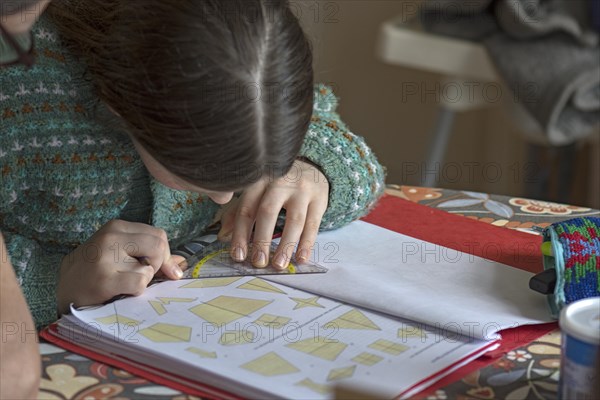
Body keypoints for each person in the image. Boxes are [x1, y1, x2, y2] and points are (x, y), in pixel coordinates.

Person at [0, 0, 384, 394]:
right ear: (123, 109)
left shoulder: (246, 52)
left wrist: (314, 169)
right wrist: (56, 280)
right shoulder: (16, 90)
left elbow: (341, 146)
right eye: (199, 179)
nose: (223, 199)